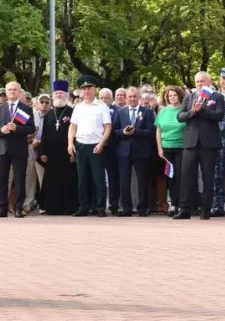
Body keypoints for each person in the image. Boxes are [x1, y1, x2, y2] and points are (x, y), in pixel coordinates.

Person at [174, 71, 224, 220]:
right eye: (197, 82)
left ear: (209, 82)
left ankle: (206, 209)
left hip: (209, 143)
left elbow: (219, 115)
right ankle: (185, 209)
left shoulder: (217, 97)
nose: (200, 84)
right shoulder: (189, 97)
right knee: (186, 175)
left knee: (208, 177)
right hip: (190, 142)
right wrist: (192, 112)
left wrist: (201, 110)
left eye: (202, 81)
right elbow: (180, 117)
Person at [68, 75, 112, 217]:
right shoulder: (78, 107)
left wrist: (102, 143)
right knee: (82, 178)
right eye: (84, 89)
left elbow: (108, 127)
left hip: (96, 145)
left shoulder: (102, 106)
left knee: (98, 178)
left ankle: (99, 207)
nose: (87, 91)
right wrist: (70, 143)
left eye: (89, 88)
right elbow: (72, 127)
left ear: (94, 89)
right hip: (81, 144)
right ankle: (83, 206)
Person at [0, 82, 36, 218]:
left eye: (14, 90)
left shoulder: (25, 108)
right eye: (9, 90)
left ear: (19, 92)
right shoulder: (0, 108)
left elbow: (31, 128)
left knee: (20, 179)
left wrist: (17, 128)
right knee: (2, 179)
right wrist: (1, 129)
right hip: (3, 149)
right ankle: (2, 208)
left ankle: (18, 208)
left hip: (19, 148)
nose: (11, 92)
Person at [112, 87, 156, 217]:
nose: (132, 99)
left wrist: (136, 132)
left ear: (139, 98)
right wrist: (123, 132)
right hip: (124, 152)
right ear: (126, 98)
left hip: (141, 151)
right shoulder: (120, 112)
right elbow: (114, 131)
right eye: (130, 97)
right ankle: (126, 208)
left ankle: (142, 208)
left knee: (142, 180)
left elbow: (151, 132)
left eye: (134, 96)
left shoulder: (147, 112)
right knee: (124, 180)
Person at [38, 82, 78, 215]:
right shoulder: (49, 114)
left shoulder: (73, 112)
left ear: (66, 95)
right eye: (56, 93)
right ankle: (52, 207)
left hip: (67, 152)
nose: (59, 95)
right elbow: (44, 134)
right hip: (52, 153)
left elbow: (76, 132)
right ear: (53, 96)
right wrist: (42, 151)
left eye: (61, 93)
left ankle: (68, 207)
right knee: (52, 181)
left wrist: (74, 152)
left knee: (68, 180)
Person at [155, 85, 186, 216]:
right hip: (166, 148)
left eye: (174, 95)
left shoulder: (184, 110)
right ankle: (173, 204)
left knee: (179, 176)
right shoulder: (163, 112)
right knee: (170, 177)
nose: (172, 98)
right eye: (169, 96)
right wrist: (159, 148)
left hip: (181, 147)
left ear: (179, 96)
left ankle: (179, 204)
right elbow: (158, 130)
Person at [213, 67, 225, 216]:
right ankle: (218, 206)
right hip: (215, 141)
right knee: (217, 174)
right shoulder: (214, 96)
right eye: (224, 78)